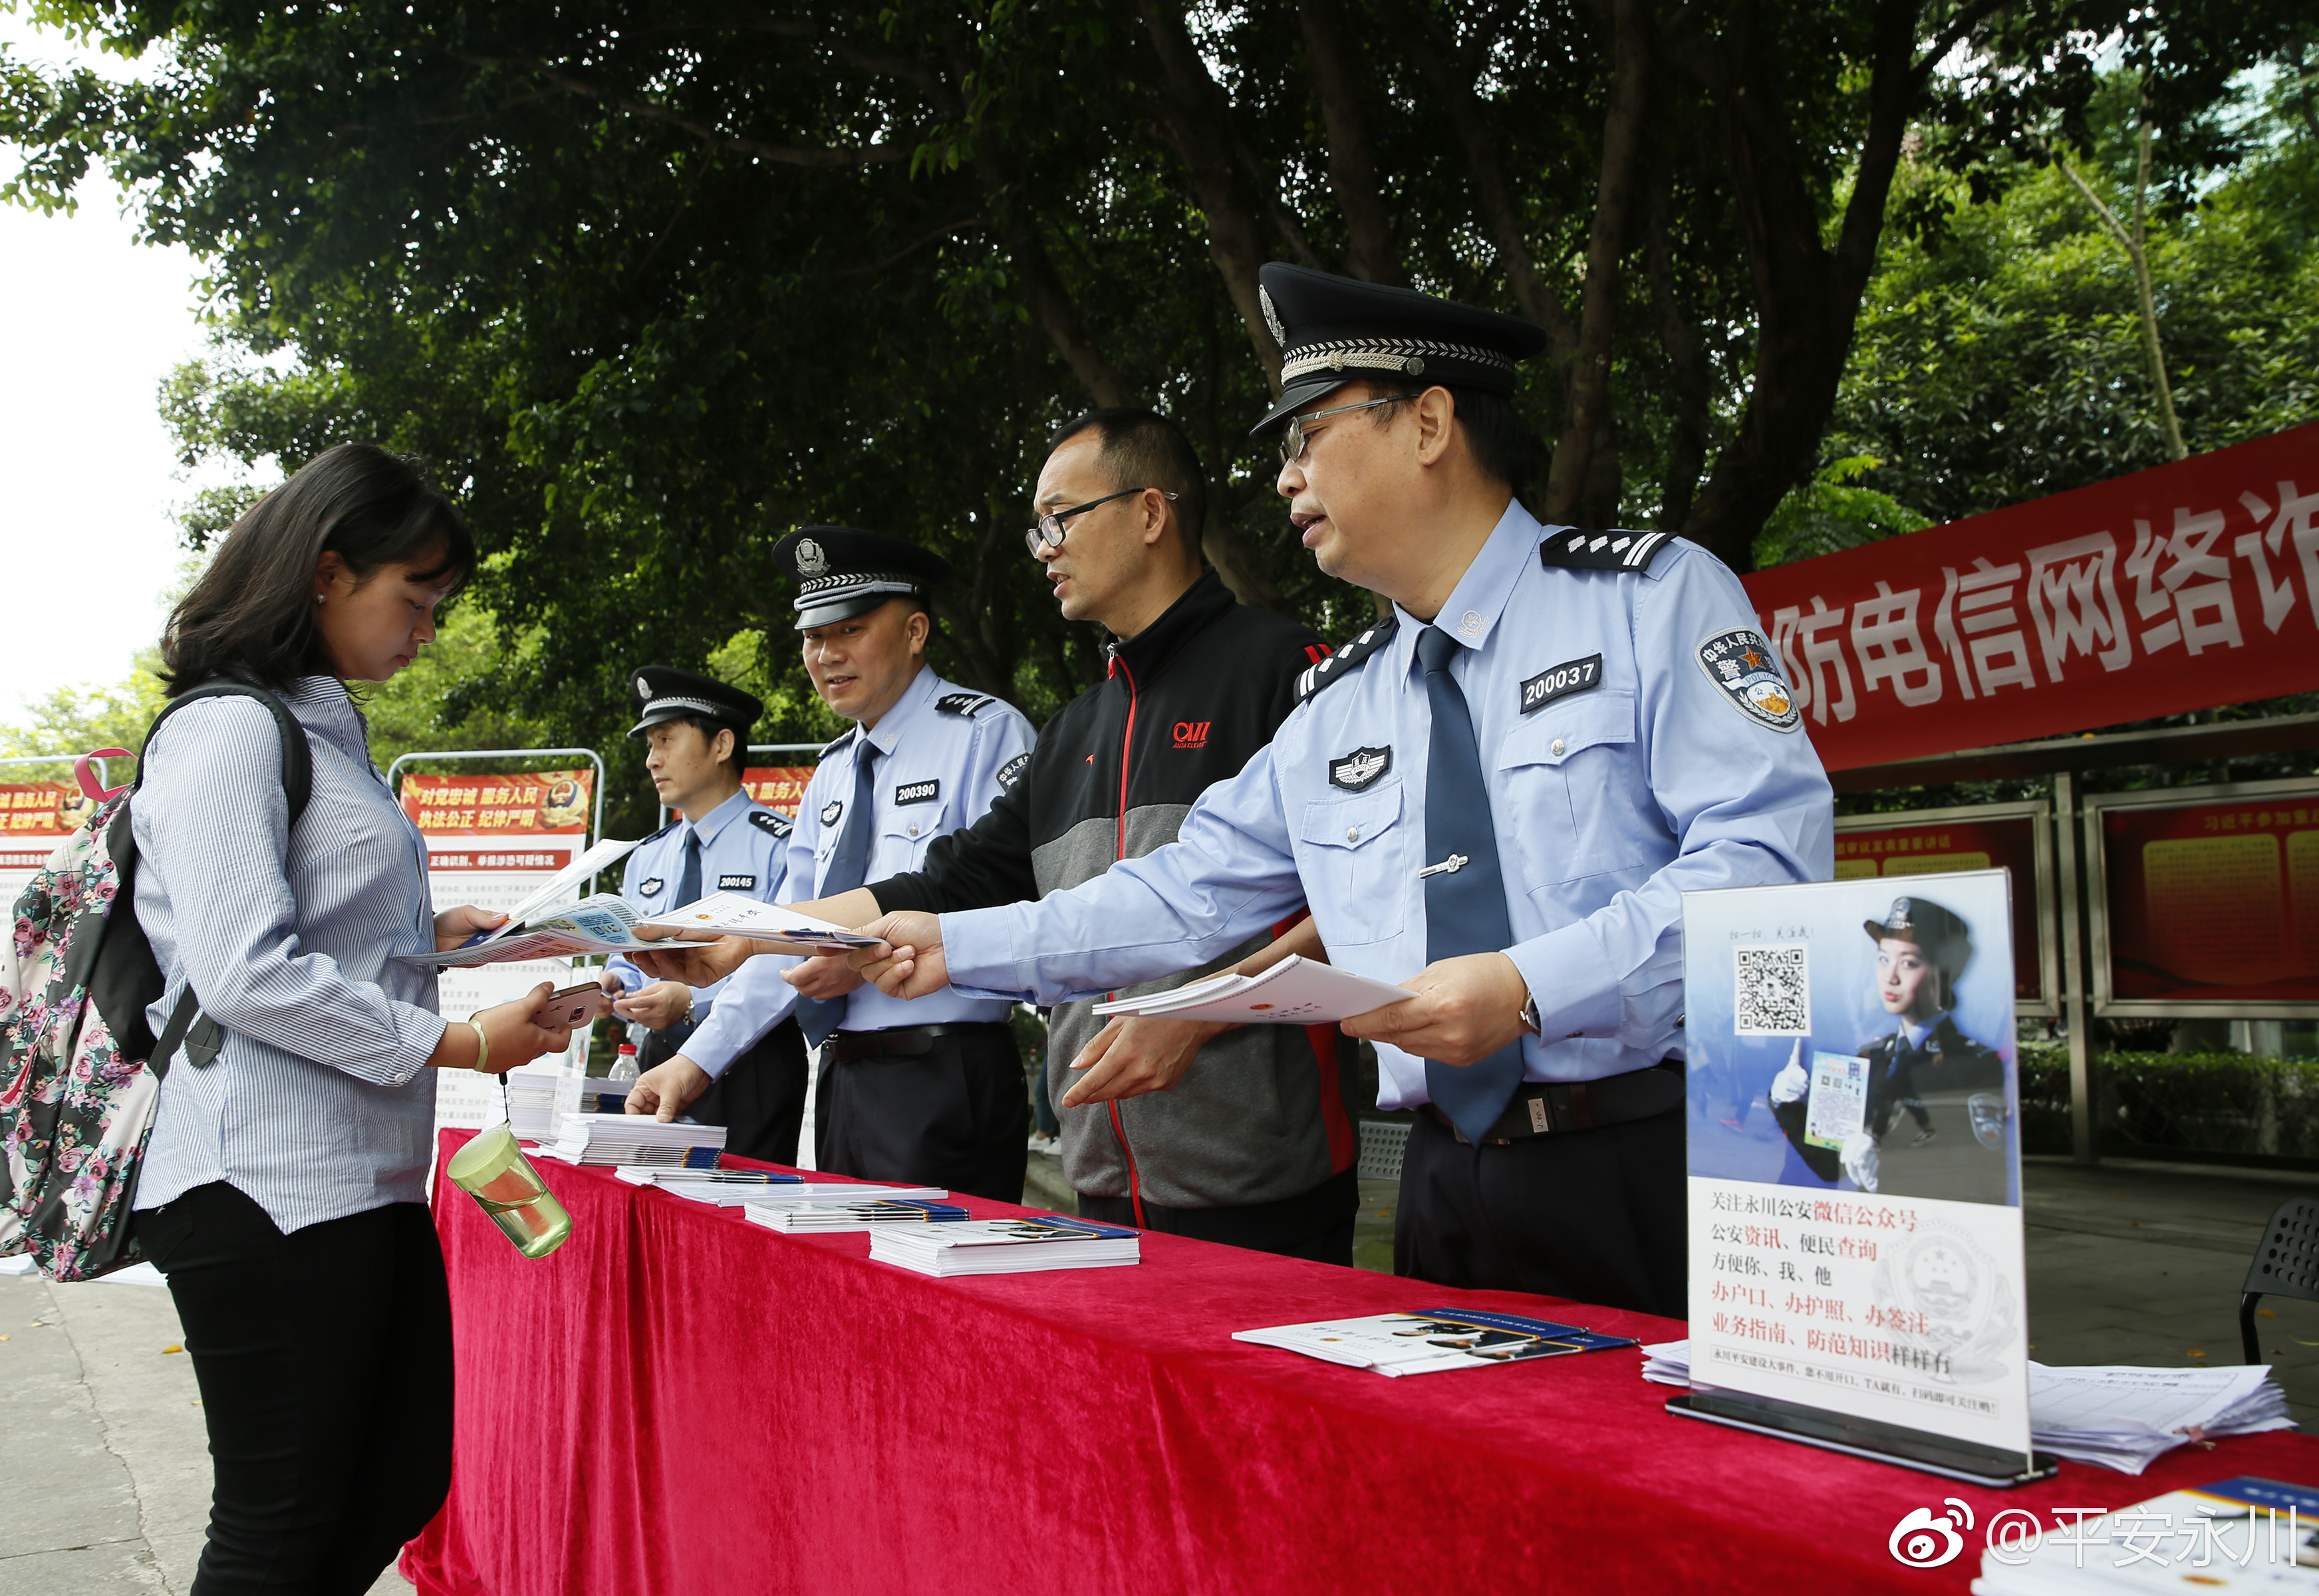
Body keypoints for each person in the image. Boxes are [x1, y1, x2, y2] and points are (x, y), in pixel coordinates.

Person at [844, 263, 1836, 1317]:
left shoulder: (1650, 598)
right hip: (1442, 1186)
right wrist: (957, 944)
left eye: (1306, 436)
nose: (1285, 478)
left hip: (1650, 1164)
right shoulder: (1339, 706)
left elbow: (1767, 865)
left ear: (1429, 422)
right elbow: (1187, 893)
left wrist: (1529, 984)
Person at [128, 443, 573, 1596]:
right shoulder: (228, 729)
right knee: (279, 1520)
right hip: (259, 1179)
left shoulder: (325, 730)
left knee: (394, 1480)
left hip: (358, 1173)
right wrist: (462, 1040)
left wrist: (452, 933)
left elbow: (323, 922)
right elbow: (243, 972)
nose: (425, 628)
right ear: (326, 573)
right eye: (412, 598)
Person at [778, 408, 1367, 1262]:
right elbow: (959, 877)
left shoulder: (1286, 675)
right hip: (1098, 1180)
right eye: (1036, 529)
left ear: (1150, 513)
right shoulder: (1072, 730)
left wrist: (1200, 1016)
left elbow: (1358, 899)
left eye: (1060, 518)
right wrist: (763, 936)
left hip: (1261, 1175)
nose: (1044, 547)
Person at [623, 527, 1037, 1202]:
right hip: (842, 1079)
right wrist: (693, 1064)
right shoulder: (833, 774)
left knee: (939, 1303)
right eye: (814, 638)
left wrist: (871, 949)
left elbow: (1010, 894)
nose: (825, 655)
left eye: (848, 631)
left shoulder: (985, 733)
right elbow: (778, 942)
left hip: (945, 1072)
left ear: (915, 631)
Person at [597, 665, 805, 1163]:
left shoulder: (783, 846)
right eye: (649, 745)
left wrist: (693, 997)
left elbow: (786, 959)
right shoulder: (649, 854)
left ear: (722, 745)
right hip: (655, 1056)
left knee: (740, 1216)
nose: (652, 760)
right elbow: (633, 953)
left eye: (666, 740)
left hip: (752, 1063)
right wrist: (615, 983)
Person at [1768, 895, 2010, 1203]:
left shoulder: (1976, 1063)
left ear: (1944, 973)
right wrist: (1786, 1102)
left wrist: (1889, 1167)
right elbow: (1831, 1167)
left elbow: (1977, 1171)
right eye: (1884, 958)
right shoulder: (1869, 1057)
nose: (1891, 977)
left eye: (1909, 962)